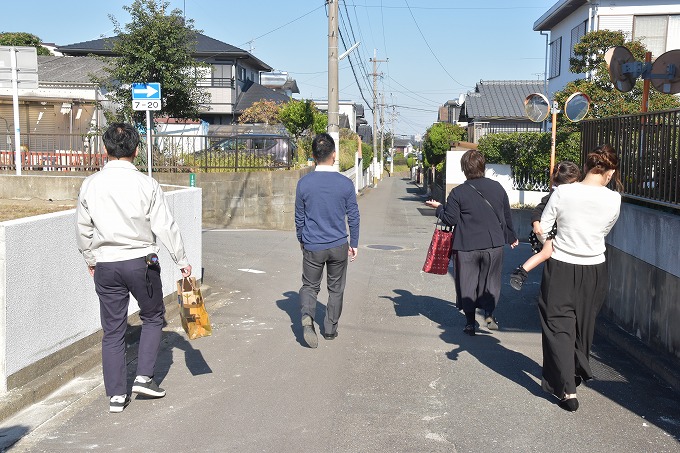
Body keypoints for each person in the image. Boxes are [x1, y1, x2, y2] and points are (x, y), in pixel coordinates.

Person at [76, 122, 192, 413]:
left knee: (113, 330)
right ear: (137, 150)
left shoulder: (90, 184)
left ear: (105, 150)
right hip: (142, 261)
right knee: (153, 317)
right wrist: (181, 261)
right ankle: (143, 377)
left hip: (106, 264)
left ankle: (116, 396)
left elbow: (83, 230)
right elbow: (164, 225)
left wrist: (91, 260)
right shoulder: (146, 184)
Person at [537, 145, 622, 412]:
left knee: (558, 325)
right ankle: (574, 371)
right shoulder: (614, 199)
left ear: (586, 166)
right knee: (583, 326)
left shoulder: (563, 192)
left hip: (561, 265)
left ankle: (568, 391)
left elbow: (545, 226)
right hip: (594, 268)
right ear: (610, 172)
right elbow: (605, 231)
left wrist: (549, 240)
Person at [425, 149, 519, 336]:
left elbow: (450, 219)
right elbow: (506, 215)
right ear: (483, 167)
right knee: (491, 280)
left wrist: (439, 208)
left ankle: (470, 323)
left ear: (464, 169)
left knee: (467, 282)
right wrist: (511, 237)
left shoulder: (458, 192)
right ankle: (489, 314)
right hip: (493, 244)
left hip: (466, 245)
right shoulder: (497, 187)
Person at [295, 133, 360, 348]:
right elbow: (353, 216)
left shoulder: (304, 184)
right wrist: (354, 243)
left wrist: (302, 240)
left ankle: (307, 317)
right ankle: (330, 330)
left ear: (313, 156)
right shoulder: (345, 184)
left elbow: (299, 217)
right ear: (334, 155)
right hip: (338, 244)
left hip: (313, 244)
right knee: (336, 289)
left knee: (310, 286)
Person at [509, 161, 581, 290]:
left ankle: (521, 271)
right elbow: (538, 210)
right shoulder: (555, 194)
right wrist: (536, 224)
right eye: (574, 182)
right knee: (546, 253)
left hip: (558, 231)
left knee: (547, 255)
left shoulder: (569, 193)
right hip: (551, 232)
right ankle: (521, 272)